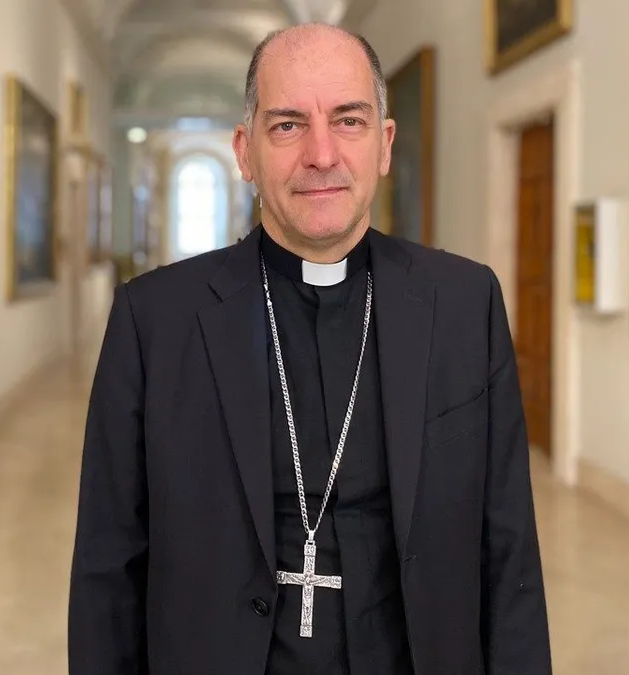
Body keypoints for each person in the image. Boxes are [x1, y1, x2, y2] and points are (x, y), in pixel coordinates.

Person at [68, 22, 552, 675]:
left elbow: (509, 548)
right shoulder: (153, 319)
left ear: (384, 145)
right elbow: (107, 567)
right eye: (288, 125)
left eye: (349, 121)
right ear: (245, 153)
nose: (321, 154)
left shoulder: (466, 304)